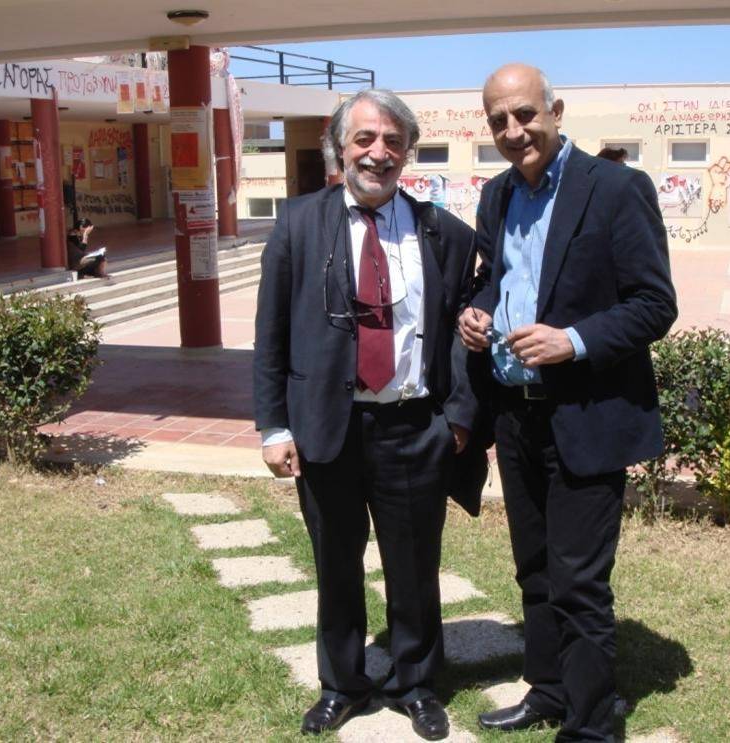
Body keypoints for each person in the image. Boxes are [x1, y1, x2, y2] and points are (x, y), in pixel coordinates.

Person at [459, 64, 678, 742]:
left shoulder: (616, 189)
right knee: (534, 568)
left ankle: (590, 725)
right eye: (499, 120)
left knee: (579, 580)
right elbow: (495, 278)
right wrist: (477, 311)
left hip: (587, 414)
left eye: (525, 114)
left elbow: (654, 304)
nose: (513, 130)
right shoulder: (496, 195)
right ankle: (549, 689)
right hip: (515, 412)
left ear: (555, 111)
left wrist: (572, 341)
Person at [253, 89, 480, 740]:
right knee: (336, 565)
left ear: (408, 153)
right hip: (329, 427)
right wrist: (274, 425)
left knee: (415, 567)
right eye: (364, 139)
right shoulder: (298, 223)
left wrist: (458, 417)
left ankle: (415, 682)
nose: (378, 153)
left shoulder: (445, 233)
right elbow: (271, 333)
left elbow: (463, 331)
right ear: (340, 147)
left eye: (392, 142)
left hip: (413, 427)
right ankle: (342, 683)